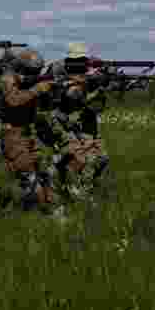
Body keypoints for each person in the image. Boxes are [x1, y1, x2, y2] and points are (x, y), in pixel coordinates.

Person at [0, 49, 62, 213]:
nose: (35, 75)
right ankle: (48, 212)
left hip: (28, 133)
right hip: (11, 134)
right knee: (28, 174)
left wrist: (50, 92)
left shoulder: (31, 83)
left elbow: (45, 107)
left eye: (37, 72)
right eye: (31, 72)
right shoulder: (7, 79)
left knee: (43, 172)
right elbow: (13, 100)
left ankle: (4, 198)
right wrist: (38, 89)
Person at [49, 42, 111, 203]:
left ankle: (58, 172)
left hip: (84, 124)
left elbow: (96, 106)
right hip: (65, 124)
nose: (82, 64)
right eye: (79, 60)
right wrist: (91, 84)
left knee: (102, 159)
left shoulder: (85, 76)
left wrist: (100, 80)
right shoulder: (60, 73)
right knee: (87, 160)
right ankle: (81, 194)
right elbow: (73, 96)